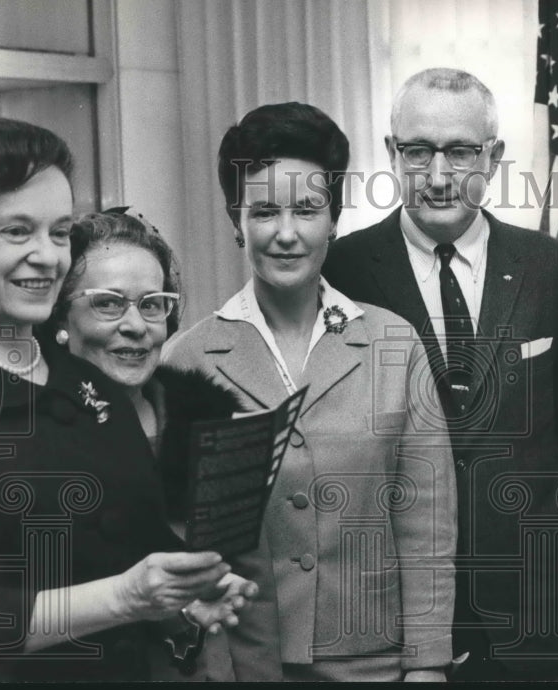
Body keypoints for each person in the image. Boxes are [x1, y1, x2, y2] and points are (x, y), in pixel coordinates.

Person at [322, 68, 558, 681]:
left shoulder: (554, 269)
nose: (440, 175)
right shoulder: (342, 271)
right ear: (393, 154)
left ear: (494, 157)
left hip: (528, 598)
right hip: (389, 597)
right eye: (418, 151)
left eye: (460, 151)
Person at [163, 101, 456, 682]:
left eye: (307, 209)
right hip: (242, 664)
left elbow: (426, 522)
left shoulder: (393, 343)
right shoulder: (188, 358)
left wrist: (428, 665)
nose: (287, 233)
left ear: (334, 216)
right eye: (265, 211)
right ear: (235, 219)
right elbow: (177, 536)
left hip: (374, 663)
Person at [0, 117, 252, 682]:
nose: (47, 256)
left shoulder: (89, 388)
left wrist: (183, 594)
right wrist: (123, 598)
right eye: (17, 231)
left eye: (60, 232)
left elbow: (132, 541)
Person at [42, 208, 254, 680]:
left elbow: (233, 586)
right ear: (61, 315)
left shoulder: (209, 422)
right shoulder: (28, 434)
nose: (136, 325)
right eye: (109, 303)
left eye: (152, 304)